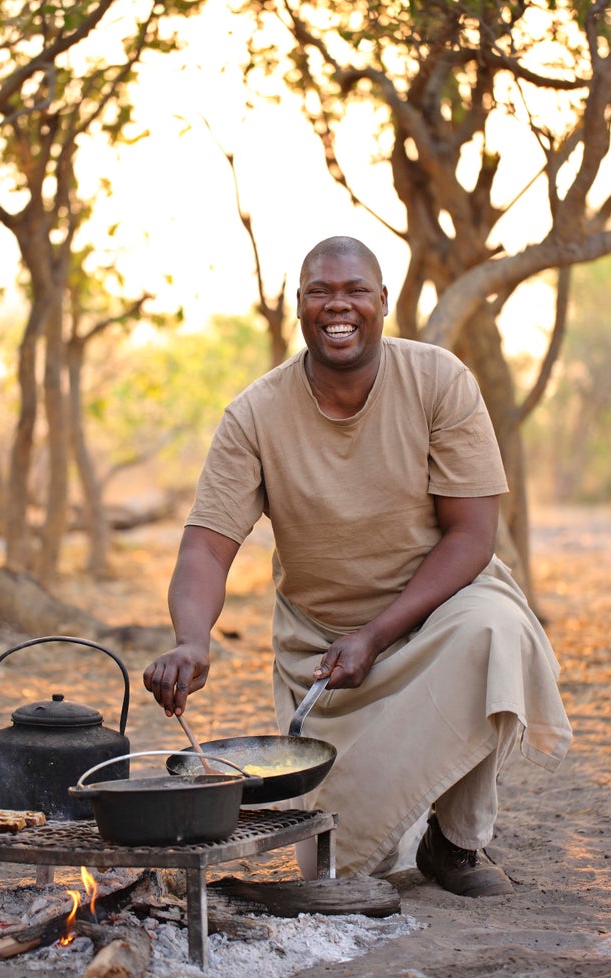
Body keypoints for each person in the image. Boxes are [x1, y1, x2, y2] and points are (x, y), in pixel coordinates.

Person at [143, 235, 571, 897]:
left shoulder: (437, 380)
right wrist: (191, 640)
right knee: (341, 869)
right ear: (299, 307)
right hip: (323, 653)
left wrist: (376, 635)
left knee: (493, 628)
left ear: (381, 302)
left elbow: (471, 537)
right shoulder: (254, 414)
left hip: (436, 612)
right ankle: (389, 834)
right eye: (319, 292)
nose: (335, 306)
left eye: (352, 292)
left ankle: (456, 844)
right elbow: (206, 545)